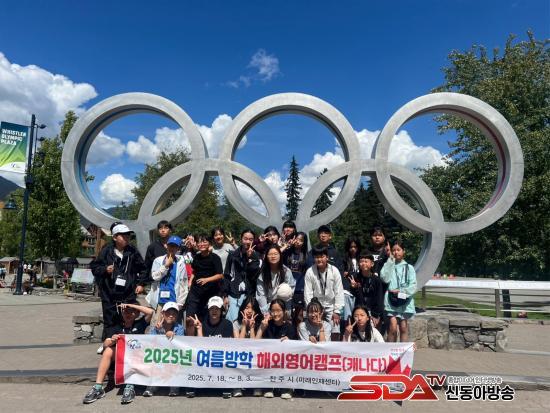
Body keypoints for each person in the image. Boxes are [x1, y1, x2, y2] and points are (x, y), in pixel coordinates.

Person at [82, 301, 154, 404]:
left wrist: (130, 305)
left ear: (137, 313)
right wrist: (113, 340)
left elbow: (150, 312)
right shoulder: (117, 326)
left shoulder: (140, 323)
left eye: (131, 311)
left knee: (133, 352)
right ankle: (98, 387)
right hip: (121, 356)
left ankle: (129, 386)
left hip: (136, 356)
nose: (128, 314)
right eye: (125, 311)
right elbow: (105, 344)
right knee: (108, 350)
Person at [90, 223, 147, 343]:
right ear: (115, 237)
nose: (127, 238)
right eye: (123, 235)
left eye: (128, 236)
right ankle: (108, 343)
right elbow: (95, 267)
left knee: (128, 317)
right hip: (109, 293)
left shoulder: (132, 251)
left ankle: (127, 343)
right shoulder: (107, 250)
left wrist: (141, 284)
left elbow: (143, 268)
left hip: (128, 292)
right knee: (110, 319)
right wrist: (105, 269)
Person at [186, 296, 235, 398]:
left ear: (221, 310)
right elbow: (199, 346)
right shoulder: (202, 323)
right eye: (212, 308)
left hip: (220, 357)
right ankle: (193, 386)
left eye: (217, 309)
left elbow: (228, 346)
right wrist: (199, 329)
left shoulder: (227, 324)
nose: (214, 311)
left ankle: (225, 387)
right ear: (208, 310)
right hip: (205, 357)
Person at [255, 299, 296, 399]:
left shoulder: (290, 327)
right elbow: (255, 343)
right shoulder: (267, 325)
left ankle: (286, 388)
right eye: (273, 311)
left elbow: (296, 349)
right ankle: (268, 387)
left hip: (284, 361)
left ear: (284, 311)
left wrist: (289, 341)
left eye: (278, 310)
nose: (275, 313)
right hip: (268, 361)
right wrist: (262, 328)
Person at [143, 302, 185, 397]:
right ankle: (152, 386)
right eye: (168, 313)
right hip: (159, 357)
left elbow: (181, 345)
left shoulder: (180, 328)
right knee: (153, 361)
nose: (171, 315)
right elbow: (150, 344)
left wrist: (173, 336)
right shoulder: (155, 327)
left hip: (173, 357)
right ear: (162, 313)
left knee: (176, 362)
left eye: (174, 313)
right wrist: (160, 331)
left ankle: (174, 386)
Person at [146, 235, 189, 326]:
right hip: (159, 301)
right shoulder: (158, 260)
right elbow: (155, 277)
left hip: (174, 301)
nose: (172, 248)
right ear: (166, 246)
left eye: (175, 246)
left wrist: (180, 303)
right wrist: (166, 266)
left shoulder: (181, 262)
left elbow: (184, 284)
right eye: (170, 245)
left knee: (174, 328)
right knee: (157, 327)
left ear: (178, 248)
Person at [304, 246, 344, 340]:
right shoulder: (310, 271)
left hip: (331, 305)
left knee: (335, 329)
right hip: (316, 306)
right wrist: (311, 310)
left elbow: (339, 291)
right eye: (317, 257)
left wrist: (337, 311)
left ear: (327, 257)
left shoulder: (334, 270)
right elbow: (308, 293)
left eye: (322, 256)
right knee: (316, 329)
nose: (319, 259)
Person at [380, 240, 417, 342]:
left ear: (403, 251)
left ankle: (402, 351)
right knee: (392, 327)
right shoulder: (389, 264)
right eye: (393, 250)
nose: (396, 252)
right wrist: (390, 260)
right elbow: (384, 278)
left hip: (405, 301)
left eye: (398, 250)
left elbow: (413, 285)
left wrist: (401, 291)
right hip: (391, 301)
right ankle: (391, 350)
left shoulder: (409, 268)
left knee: (403, 327)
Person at [224, 229, 262, 322]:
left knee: (246, 321)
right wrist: (225, 295)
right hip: (233, 294)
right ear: (241, 239)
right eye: (245, 239)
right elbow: (227, 275)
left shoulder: (257, 256)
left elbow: (254, 274)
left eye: (251, 239)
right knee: (232, 321)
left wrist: (250, 258)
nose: (248, 241)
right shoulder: (233, 255)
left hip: (249, 295)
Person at [186, 234, 224, 323]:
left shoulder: (215, 258)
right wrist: (190, 282)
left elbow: (220, 275)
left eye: (204, 242)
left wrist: (206, 280)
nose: (202, 244)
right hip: (195, 291)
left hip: (211, 292)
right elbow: (194, 271)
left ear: (209, 243)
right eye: (199, 242)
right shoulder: (196, 257)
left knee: (208, 318)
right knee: (190, 317)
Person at [232, 296, 262, 397]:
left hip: (254, 354)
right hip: (241, 354)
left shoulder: (260, 323)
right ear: (242, 308)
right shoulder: (236, 323)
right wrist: (244, 326)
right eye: (247, 307)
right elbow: (238, 344)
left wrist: (252, 328)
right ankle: (237, 386)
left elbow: (255, 345)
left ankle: (256, 386)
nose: (249, 311)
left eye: (252, 308)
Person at [256, 245, 295, 314]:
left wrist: (285, 311)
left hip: (284, 305)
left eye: (276, 254)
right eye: (270, 254)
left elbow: (290, 290)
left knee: (285, 288)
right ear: (266, 257)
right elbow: (261, 295)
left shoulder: (286, 271)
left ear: (280, 255)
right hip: (268, 306)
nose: (273, 256)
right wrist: (265, 312)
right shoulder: (262, 273)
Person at [351, 253, 385, 330]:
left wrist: (376, 315)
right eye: (361, 261)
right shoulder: (355, 278)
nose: (363, 263)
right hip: (360, 311)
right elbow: (355, 296)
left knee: (373, 332)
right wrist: (353, 287)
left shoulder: (376, 280)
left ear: (372, 264)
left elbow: (379, 298)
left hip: (373, 312)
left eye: (366, 261)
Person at [282, 231, 308, 310]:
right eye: (296, 239)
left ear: (304, 243)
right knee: (286, 311)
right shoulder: (287, 252)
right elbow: (277, 254)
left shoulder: (306, 255)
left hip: (299, 288)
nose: (298, 242)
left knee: (299, 313)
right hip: (287, 286)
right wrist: (287, 245)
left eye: (301, 240)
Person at [341, 236, 361, 331]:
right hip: (347, 291)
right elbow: (343, 274)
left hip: (359, 291)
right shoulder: (344, 259)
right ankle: (348, 333)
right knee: (348, 316)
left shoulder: (362, 258)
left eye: (355, 247)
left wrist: (349, 273)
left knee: (358, 315)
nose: (353, 249)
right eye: (351, 247)